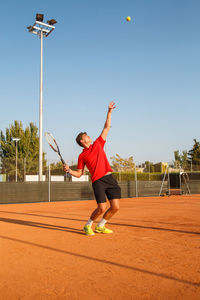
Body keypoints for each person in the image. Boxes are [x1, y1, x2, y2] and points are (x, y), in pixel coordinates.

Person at [63, 101, 121, 236]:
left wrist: (109, 112)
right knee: (101, 208)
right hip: (98, 182)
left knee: (115, 207)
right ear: (82, 142)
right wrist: (69, 170)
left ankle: (101, 226)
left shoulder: (98, 144)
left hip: (109, 178)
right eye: (86, 136)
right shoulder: (82, 156)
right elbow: (79, 173)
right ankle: (88, 225)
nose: (89, 137)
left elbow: (106, 128)